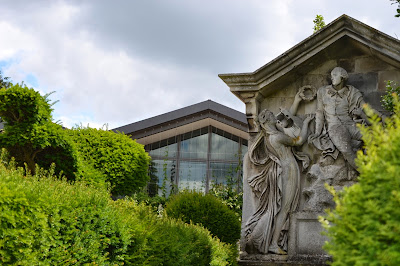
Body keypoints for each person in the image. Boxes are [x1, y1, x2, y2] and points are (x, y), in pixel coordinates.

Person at [244, 109, 314, 255]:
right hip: (289, 171)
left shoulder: (270, 137)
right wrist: (307, 122)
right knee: (284, 208)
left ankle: (274, 241)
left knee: (284, 208)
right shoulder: (277, 137)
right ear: (266, 122)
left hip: (285, 170)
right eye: (272, 117)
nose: (276, 119)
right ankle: (273, 243)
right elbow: (300, 140)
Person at [308, 67, 367, 171]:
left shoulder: (352, 92)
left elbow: (366, 108)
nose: (332, 77)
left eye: (335, 75)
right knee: (346, 149)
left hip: (350, 124)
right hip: (334, 127)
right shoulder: (322, 91)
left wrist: (381, 117)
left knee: (371, 137)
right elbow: (320, 112)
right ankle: (365, 172)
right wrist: (317, 132)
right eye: (331, 75)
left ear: (343, 77)